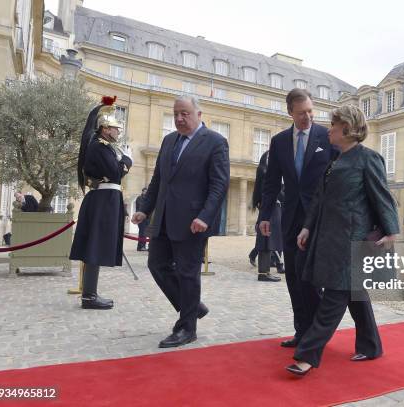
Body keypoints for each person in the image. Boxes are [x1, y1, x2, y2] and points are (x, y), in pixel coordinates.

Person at [285, 105, 399, 376]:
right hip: (330, 238)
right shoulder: (336, 160)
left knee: (335, 297)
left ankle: (308, 355)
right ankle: (371, 345)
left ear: (347, 129)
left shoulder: (368, 158)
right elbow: (320, 200)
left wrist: (391, 231)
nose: (329, 129)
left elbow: (382, 197)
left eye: (333, 125)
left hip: (353, 239)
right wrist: (306, 227)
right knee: (354, 293)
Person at [131, 96, 229, 348]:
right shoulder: (169, 140)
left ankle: (187, 327)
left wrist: (205, 216)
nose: (178, 118)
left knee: (188, 274)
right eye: (175, 114)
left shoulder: (215, 142)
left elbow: (219, 185)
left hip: (193, 221)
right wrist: (145, 209)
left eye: (184, 113)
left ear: (198, 113)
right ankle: (192, 306)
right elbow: (158, 180)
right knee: (156, 265)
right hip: (163, 217)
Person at [259, 88, 334, 348]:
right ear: (290, 112)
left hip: (320, 218)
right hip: (291, 218)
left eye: (311, 111)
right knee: (292, 276)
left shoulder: (327, 135)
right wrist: (265, 215)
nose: (308, 117)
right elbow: (271, 183)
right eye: (302, 113)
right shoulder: (279, 141)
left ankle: (317, 332)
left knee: (312, 276)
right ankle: (302, 331)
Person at [69, 96, 133, 310]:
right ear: (105, 129)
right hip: (103, 200)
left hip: (105, 199)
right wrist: (127, 160)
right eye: (115, 128)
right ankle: (89, 296)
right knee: (94, 247)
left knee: (95, 246)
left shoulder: (103, 146)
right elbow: (115, 172)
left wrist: (120, 159)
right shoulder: (99, 146)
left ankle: (90, 294)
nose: (117, 131)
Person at [252, 150, 284, 282]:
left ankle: (265, 271)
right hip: (271, 207)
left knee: (269, 240)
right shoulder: (268, 174)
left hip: (271, 206)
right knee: (267, 240)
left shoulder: (264, 171)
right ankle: (264, 273)